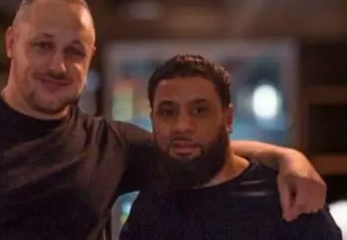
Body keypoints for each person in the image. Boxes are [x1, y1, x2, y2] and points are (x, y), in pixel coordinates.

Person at [0, 0, 326, 240]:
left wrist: (288, 158)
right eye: (42, 46)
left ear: (90, 57)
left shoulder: (112, 145)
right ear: (11, 43)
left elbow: (192, 146)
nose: (57, 65)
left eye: (74, 51)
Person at [119, 55, 341, 240]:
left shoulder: (284, 196)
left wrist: (289, 157)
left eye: (199, 111)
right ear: (152, 119)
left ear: (228, 119)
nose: (182, 126)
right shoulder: (151, 204)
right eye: (168, 112)